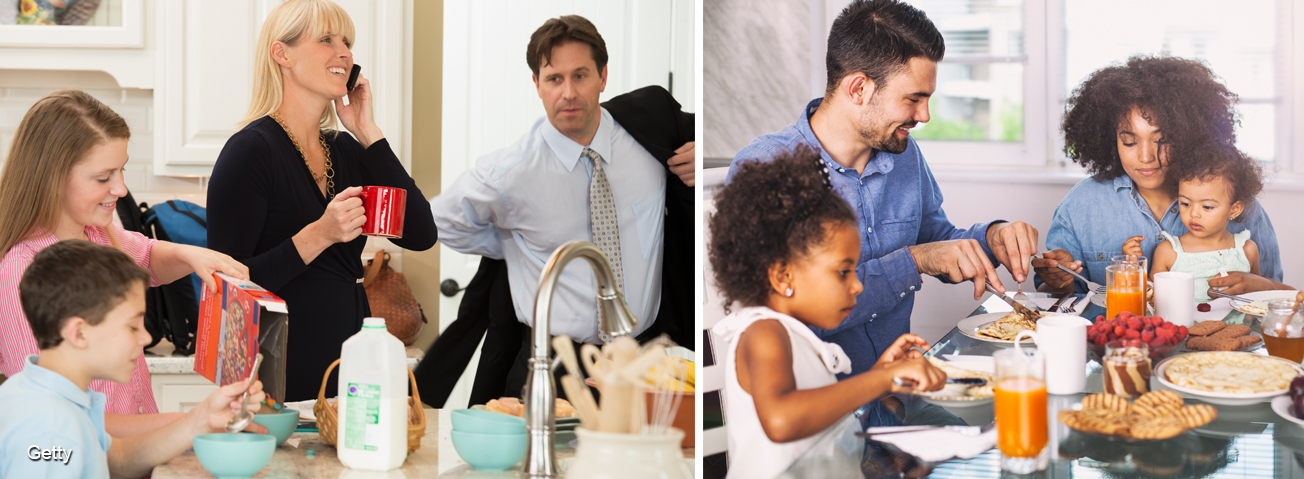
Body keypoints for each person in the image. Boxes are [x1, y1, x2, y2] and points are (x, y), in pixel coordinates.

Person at [728, 0, 1039, 375]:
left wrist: (993, 238)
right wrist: (915, 260)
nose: (925, 115)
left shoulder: (904, 153)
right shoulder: (765, 168)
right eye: (914, 98)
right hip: (824, 409)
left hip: (900, 394)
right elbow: (780, 315)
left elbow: (936, 238)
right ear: (858, 88)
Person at [429, 15, 694, 402]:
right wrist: (510, 244)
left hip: (645, 361)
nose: (568, 92)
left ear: (603, 77)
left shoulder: (649, 127)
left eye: (581, 76)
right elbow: (440, 222)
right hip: (554, 368)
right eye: (554, 79)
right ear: (537, 84)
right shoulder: (509, 174)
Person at [207, 0, 438, 401]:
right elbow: (227, 285)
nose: (344, 53)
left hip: (349, 362)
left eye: (347, 41)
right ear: (282, 54)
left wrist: (368, 133)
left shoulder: (345, 150)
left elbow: (420, 233)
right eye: (326, 40)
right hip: (279, 371)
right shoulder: (251, 151)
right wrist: (320, 235)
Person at [0, 89, 251, 438]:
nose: (120, 188)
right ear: (52, 176)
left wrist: (192, 255)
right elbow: (59, 419)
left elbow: (148, 257)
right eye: (104, 177)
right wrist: (195, 422)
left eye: (122, 171)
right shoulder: (22, 272)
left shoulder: (99, 235)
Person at [710, 147, 946, 479]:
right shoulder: (763, 332)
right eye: (842, 273)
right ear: (783, 276)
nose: (857, 286)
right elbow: (781, 420)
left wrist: (877, 379)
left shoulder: (794, 334)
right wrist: (881, 379)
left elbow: (821, 414)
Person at [0, 240, 265, 479]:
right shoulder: (50, 432)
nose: (146, 338)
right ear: (78, 333)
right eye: (132, 326)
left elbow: (117, 458)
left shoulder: (43, 395)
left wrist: (202, 419)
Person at [1037, 56, 1285, 296]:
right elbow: (1051, 299)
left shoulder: (1239, 204)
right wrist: (1059, 281)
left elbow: (1275, 298)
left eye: (1162, 140)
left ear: (1189, 134)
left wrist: (1260, 286)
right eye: (1129, 142)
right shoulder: (1081, 205)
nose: (1146, 157)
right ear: (1111, 141)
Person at [1148, 148, 1263, 301]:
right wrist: (1133, 265)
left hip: (1239, 326)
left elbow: (1259, 297)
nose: (1194, 213)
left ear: (1234, 210)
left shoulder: (1247, 250)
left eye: (1207, 207)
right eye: (1185, 203)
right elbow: (1152, 300)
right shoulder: (1169, 252)